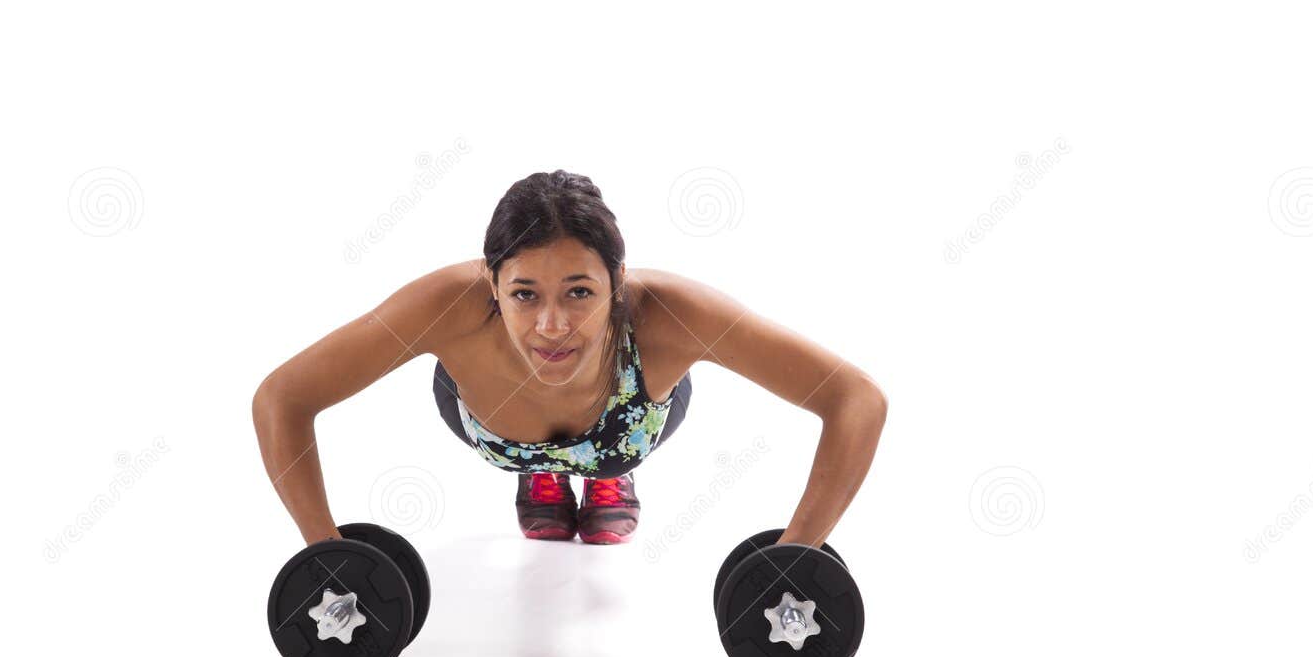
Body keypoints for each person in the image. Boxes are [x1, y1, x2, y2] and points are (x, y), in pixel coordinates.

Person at [252, 169, 888, 548]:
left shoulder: (668, 314)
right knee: (526, 435)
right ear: (492, 284)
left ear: (617, 282)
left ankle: (605, 471)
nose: (553, 325)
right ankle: (540, 474)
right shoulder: (447, 304)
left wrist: (797, 556)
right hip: (487, 419)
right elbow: (283, 397)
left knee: (610, 447)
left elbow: (855, 399)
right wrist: (325, 556)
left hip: (627, 420)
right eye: (524, 295)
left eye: (580, 292)